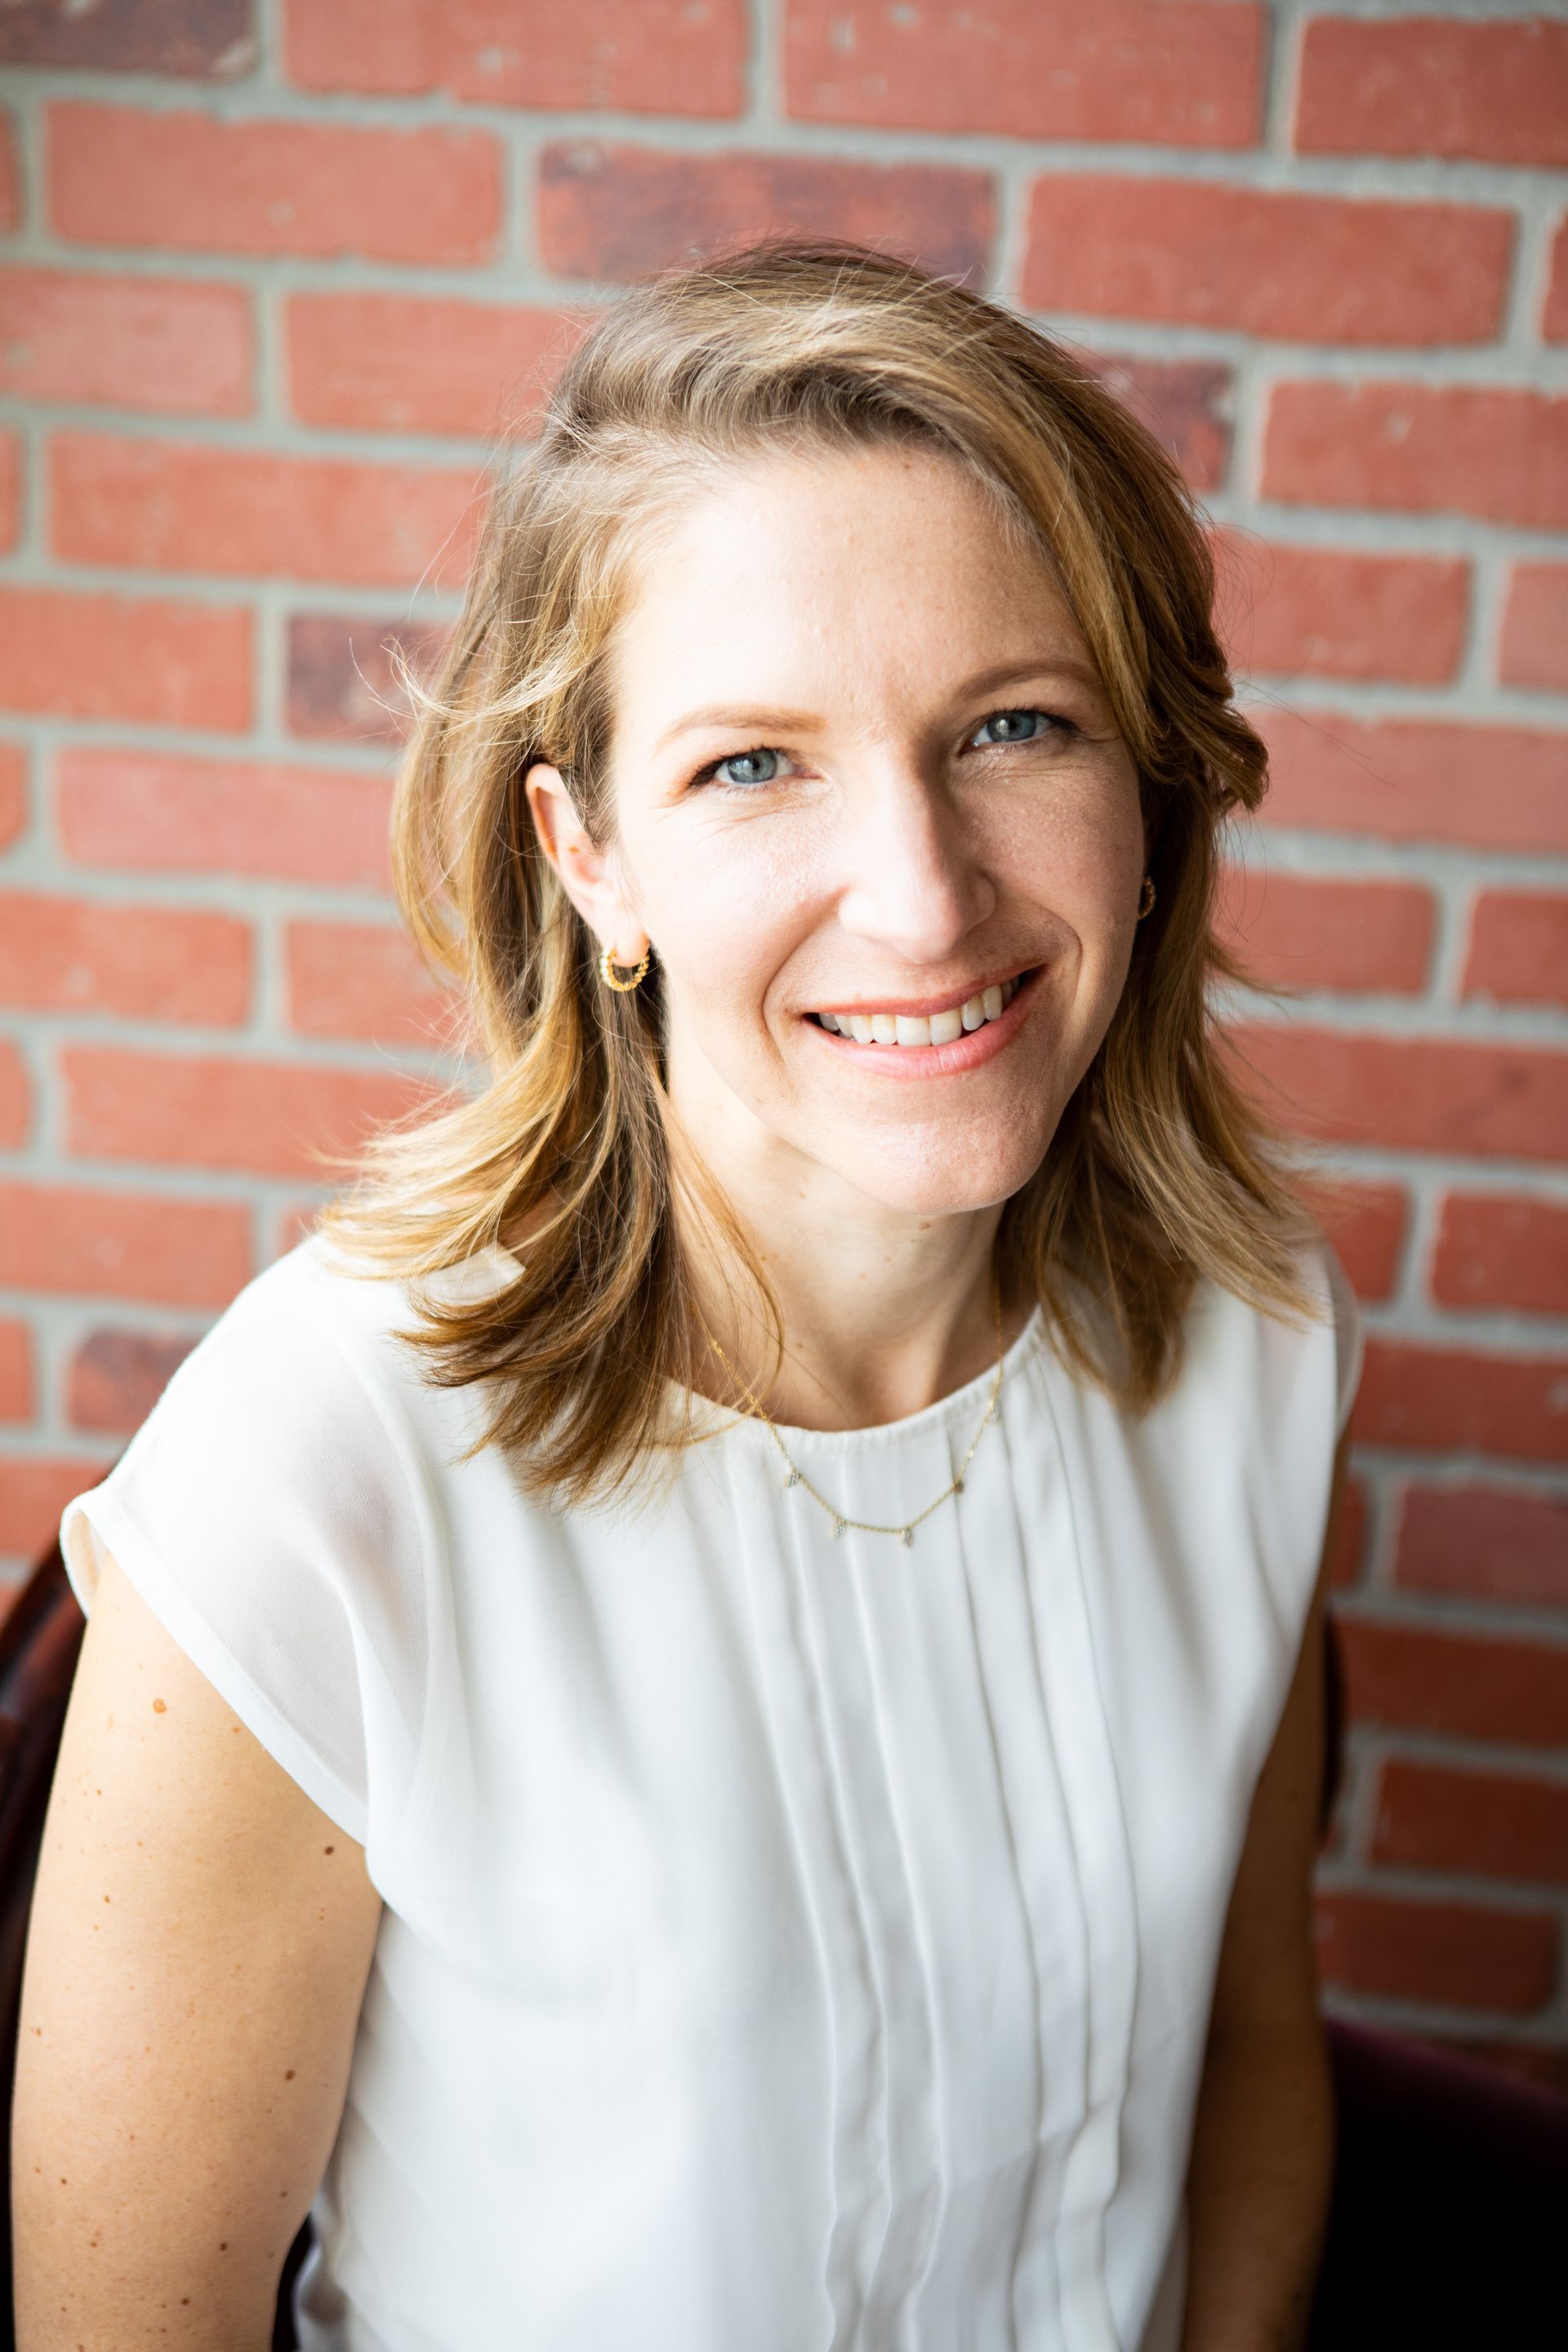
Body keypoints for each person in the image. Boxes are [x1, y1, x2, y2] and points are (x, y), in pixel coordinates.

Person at [15, 240, 1360, 2352]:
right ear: (590, 858)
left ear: (1151, 794)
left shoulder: (1254, 1343)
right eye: (754, 765)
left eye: (1017, 724)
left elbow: (1255, 2065)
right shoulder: (318, 1475)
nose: (922, 898)